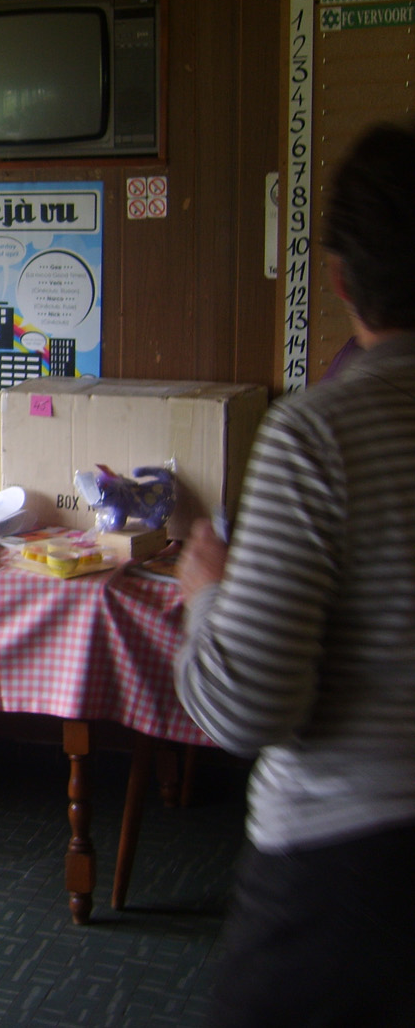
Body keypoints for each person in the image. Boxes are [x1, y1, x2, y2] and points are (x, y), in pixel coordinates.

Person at [175, 121, 415, 1027]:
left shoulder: (319, 434)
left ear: (342, 279)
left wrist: (208, 594)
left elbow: (246, 708)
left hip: (349, 878)